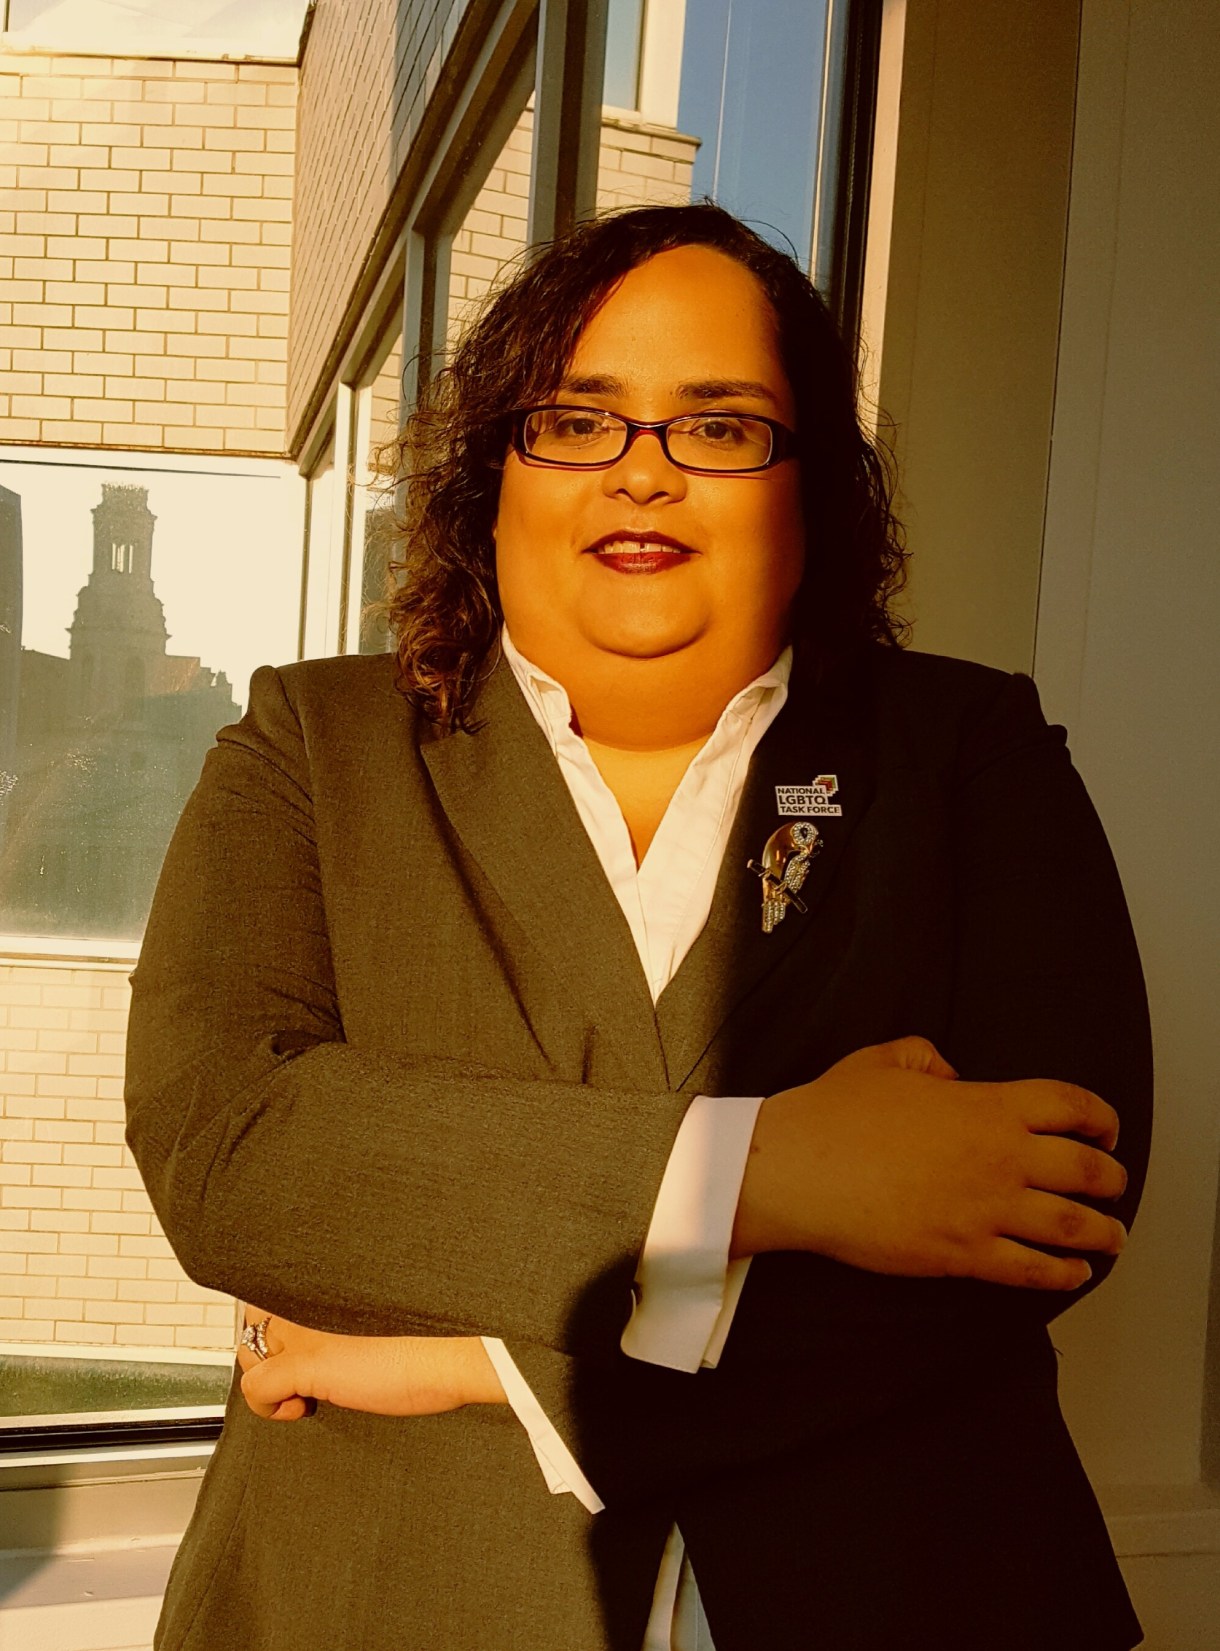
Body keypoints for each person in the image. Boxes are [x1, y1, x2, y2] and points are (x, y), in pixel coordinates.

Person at [124, 201, 1153, 1651]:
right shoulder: (312, 743)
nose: (644, 477)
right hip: (372, 1593)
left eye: (721, 428)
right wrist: (762, 1170)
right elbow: (232, 1150)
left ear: (814, 490)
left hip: (917, 1585)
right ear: (495, 473)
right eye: (578, 421)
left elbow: (1051, 1208)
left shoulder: (971, 751)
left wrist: (482, 1363)